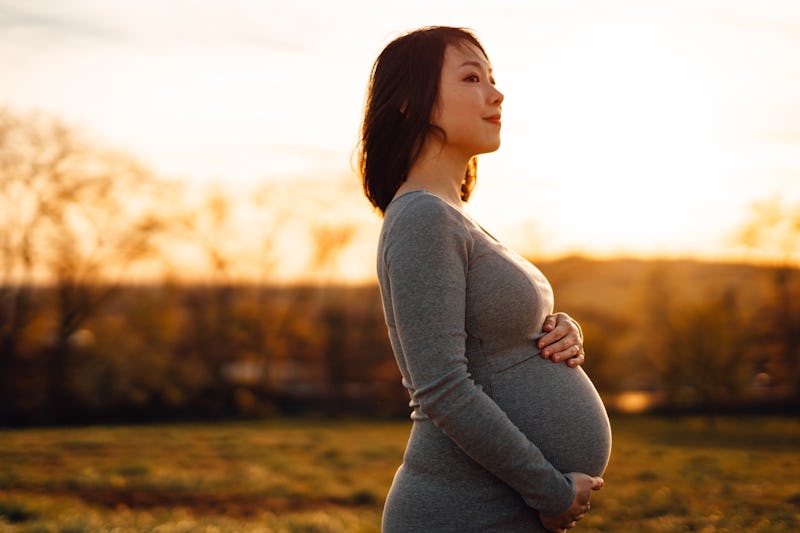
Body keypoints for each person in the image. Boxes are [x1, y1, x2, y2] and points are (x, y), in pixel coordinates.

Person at [357, 26, 612, 533]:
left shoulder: (453, 216)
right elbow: (442, 387)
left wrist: (559, 330)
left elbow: (490, 340)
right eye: (472, 77)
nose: (496, 94)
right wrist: (550, 489)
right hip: (462, 512)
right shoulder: (421, 219)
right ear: (411, 101)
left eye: (493, 78)